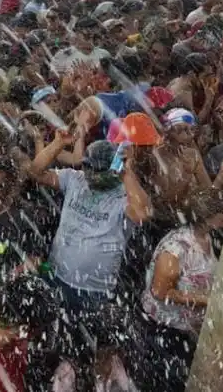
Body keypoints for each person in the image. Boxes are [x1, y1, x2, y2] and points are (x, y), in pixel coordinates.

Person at [30, 133, 152, 314]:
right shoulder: (75, 179)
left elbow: (143, 214)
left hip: (92, 291)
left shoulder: (125, 195)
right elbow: (35, 172)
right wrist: (58, 143)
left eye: (98, 170)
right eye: (89, 168)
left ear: (114, 169)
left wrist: (127, 172)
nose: (92, 175)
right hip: (55, 275)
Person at [139, 189, 223, 392]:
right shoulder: (176, 249)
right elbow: (160, 293)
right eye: (222, 216)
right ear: (207, 218)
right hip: (164, 328)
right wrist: (205, 300)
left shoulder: (209, 237)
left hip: (186, 327)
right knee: (165, 382)